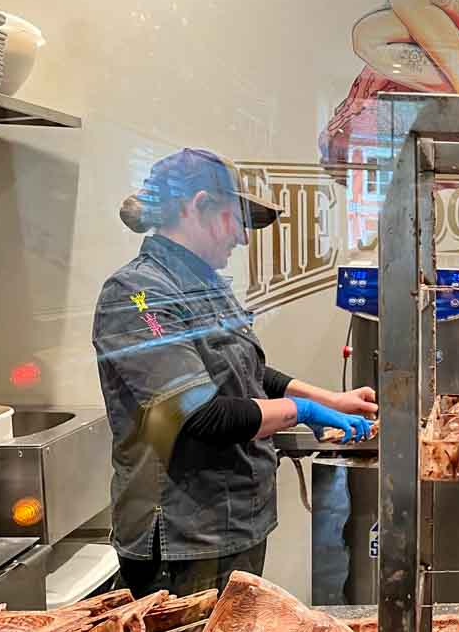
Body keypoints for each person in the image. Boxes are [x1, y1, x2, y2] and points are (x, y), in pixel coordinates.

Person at [92, 149, 377, 598]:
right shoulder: (138, 294)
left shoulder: (206, 285)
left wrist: (329, 401)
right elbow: (200, 415)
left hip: (235, 524)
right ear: (197, 205)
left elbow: (247, 372)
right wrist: (300, 411)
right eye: (233, 218)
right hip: (185, 542)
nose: (244, 238)